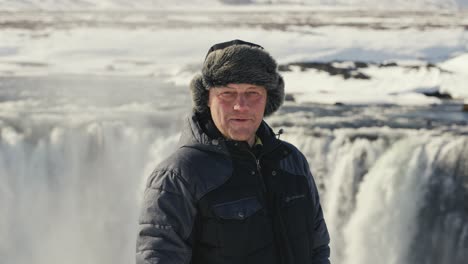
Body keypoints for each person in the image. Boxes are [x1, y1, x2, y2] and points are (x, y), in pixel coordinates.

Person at [136, 39, 330, 264]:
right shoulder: (179, 175)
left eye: (252, 92)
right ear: (206, 98)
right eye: (227, 93)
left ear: (268, 98)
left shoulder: (291, 161)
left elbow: (318, 248)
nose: (241, 105)